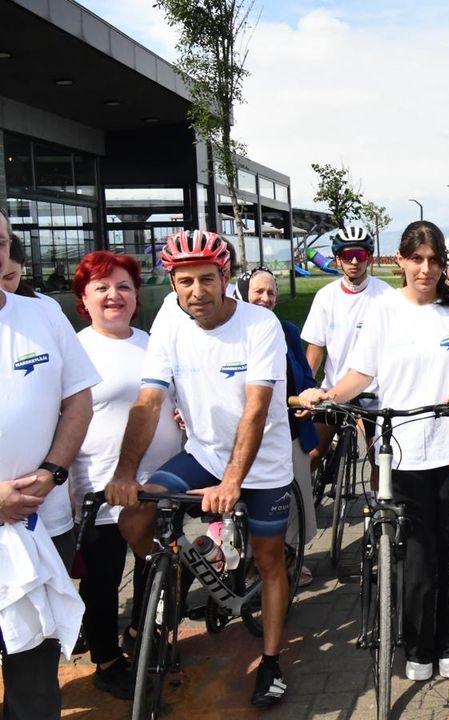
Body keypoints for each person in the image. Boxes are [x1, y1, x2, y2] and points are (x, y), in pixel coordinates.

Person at [104, 229, 294, 708]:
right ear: (172, 282)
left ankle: (271, 662)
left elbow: (256, 408)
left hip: (263, 462)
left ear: (225, 277)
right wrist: (125, 474)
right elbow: (149, 402)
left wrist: (233, 482)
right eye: (185, 281)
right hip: (204, 453)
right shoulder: (170, 322)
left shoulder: (259, 324)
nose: (197, 291)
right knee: (134, 517)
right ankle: (178, 568)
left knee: (269, 560)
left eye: (207, 279)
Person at [300, 221, 449, 682]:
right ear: (400, 260)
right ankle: (418, 646)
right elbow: (360, 374)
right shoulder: (383, 309)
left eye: (434, 260)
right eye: (416, 259)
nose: (426, 269)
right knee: (418, 555)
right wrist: (325, 395)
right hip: (402, 452)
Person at [68, 251, 183, 699]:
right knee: (103, 578)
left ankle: (140, 632)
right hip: (102, 485)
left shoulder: (153, 343)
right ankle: (107, 660)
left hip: (162, 480)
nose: (114, 296)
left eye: (124, 287)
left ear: (137, 296)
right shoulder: (75, 350)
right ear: (84, 298)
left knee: (156, 565)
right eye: (102, 287)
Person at [0, 206, 96, 719]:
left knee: (36, 671)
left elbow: (77, 398)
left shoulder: (42, 315)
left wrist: (53, 471)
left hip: (43, 523)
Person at [241, 268, 319, 583]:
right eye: (258, 292)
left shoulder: (287, 331)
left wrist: (307, 399)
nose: (265, 298)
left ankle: (292, 557)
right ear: (243, 293)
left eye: (271, 292)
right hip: (248, 431)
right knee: (251, 502)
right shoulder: (234, 332)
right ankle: (250, 562)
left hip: (290, 429)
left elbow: (306, 376)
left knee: (295, 497)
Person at [300, 225, 391, 469]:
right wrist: (306, 388)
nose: (354, 261)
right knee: (313, 453)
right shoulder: (325, 296)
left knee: (380, 462)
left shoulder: (386, 295)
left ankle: (376, 495)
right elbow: (315, 349)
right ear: (338, 259)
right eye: (347, 255)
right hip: (334, 389)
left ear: (369, 257)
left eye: (360, 255)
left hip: (375, 394)